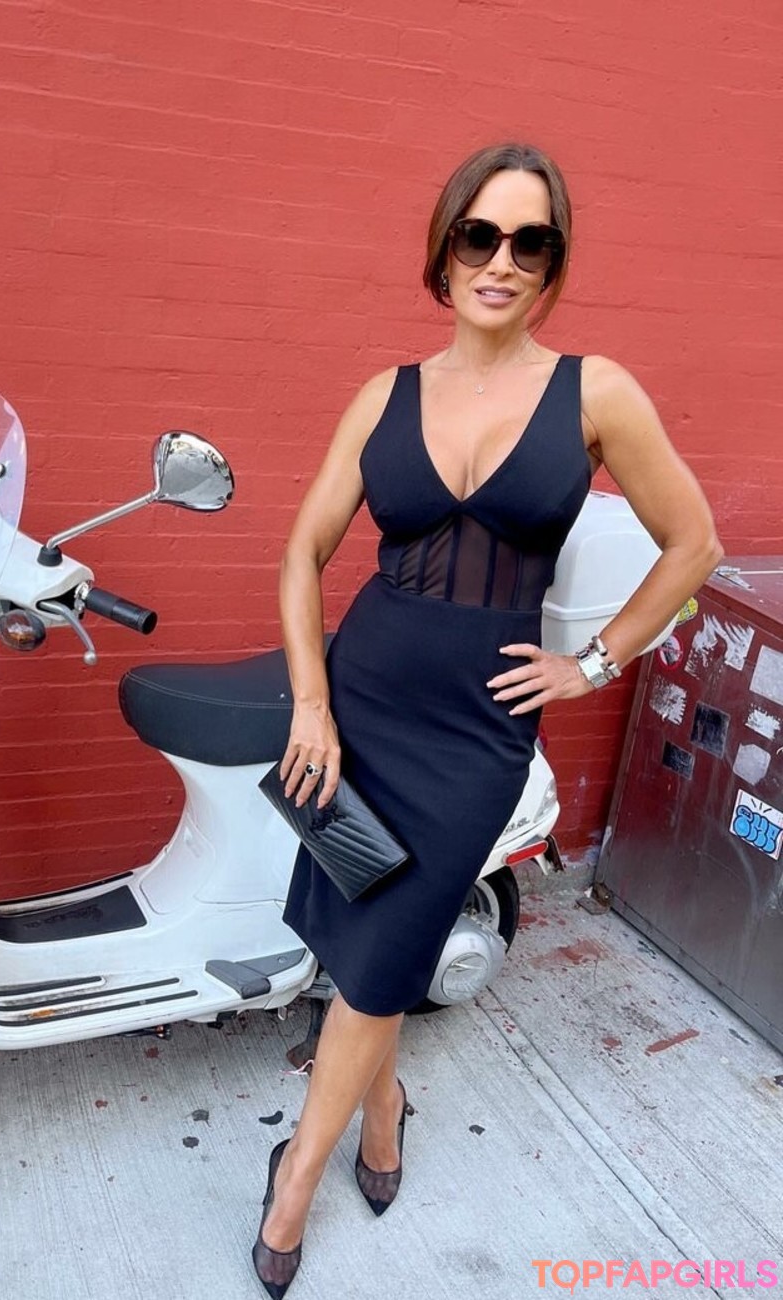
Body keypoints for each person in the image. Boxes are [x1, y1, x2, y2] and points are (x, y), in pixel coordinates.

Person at [251, 142, 722, 1298]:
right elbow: (303, 553)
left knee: (385, 957)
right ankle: (383, 1112)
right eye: (481, 235)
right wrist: (310, 704)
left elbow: (694, 544)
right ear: (446, 247)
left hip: (475, 733)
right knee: (363, 940)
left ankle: (292, 1179)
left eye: (530, 241)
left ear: (553, 263)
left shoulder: (595, 393)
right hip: (358, 704)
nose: (501, 262)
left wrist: (593, 664)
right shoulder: (385, 397)